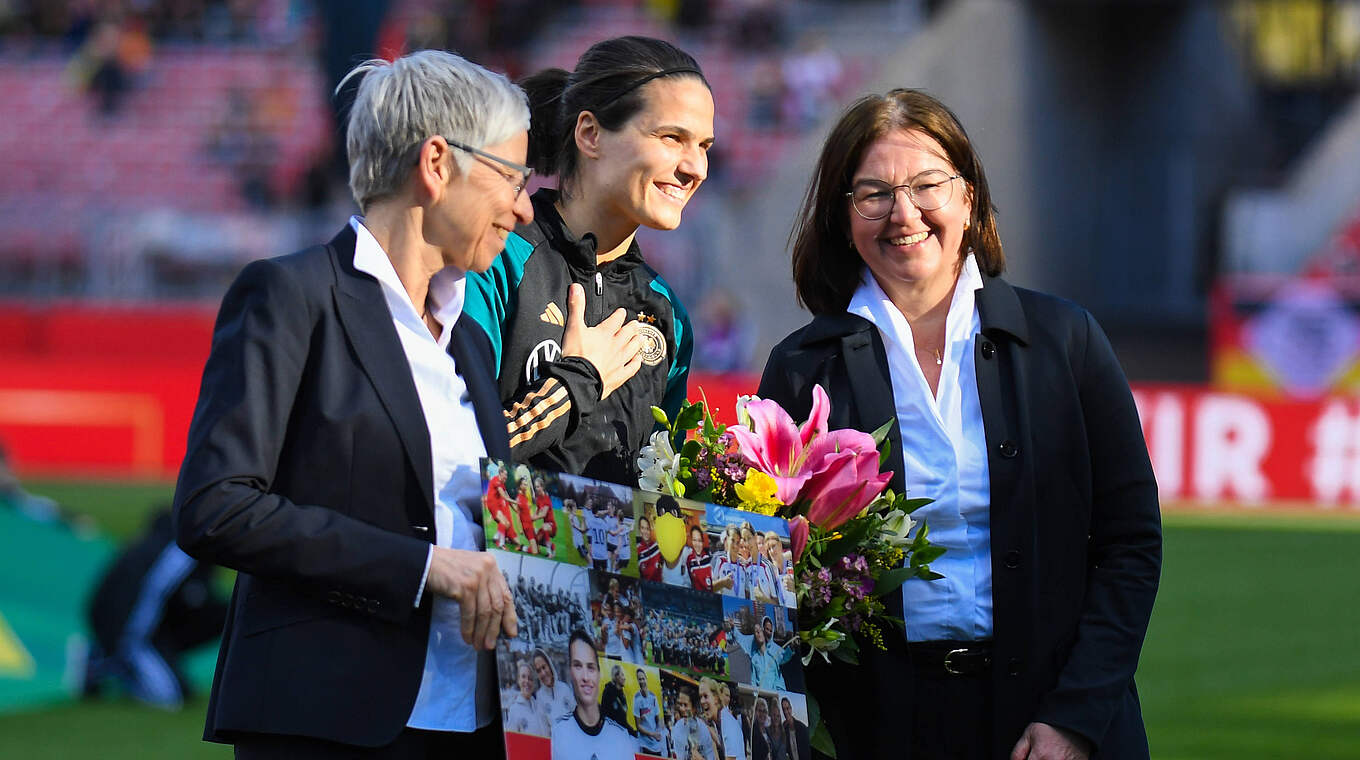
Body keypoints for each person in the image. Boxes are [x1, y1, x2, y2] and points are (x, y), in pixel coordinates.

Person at [756, 89, 1162, 760]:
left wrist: (1075, 717)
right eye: (873, 193)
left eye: (926, 185)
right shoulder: (801, 368)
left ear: (969, 199)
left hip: (1057, 724)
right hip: (886, 732)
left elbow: (1131, 546)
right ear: (843, 215)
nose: (903, 213)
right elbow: (773, 574)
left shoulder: (1066, 340)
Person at [172, 50, 526, 756]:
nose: (522, 207)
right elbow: (218, 507)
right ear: (436, 164)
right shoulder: (291, 297)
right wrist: (423, 569)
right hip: (326, 721)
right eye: (512, 177)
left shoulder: (472, 345)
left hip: (475, 726)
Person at [465, 35, 715, 486]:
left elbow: (656, 499)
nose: (695, 167)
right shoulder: (495, 261)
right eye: (672, 138)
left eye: (704, 146)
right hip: (485, 555)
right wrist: (578, 381)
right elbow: (453, 451)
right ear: (590, 134)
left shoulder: (669, 316)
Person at [83, 506, 228, 708]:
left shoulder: (185, 545)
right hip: (128, 629)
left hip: (144, 623)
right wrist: (123, 644)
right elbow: (141, 602)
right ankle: (108, 662)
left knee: (227, 614)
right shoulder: (180, 552)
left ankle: (133, 660)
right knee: (171, 697)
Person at [552, 631, 637, 760]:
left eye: (590, 667)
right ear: (570, 671)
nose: (585, 677)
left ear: (598, 674)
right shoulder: (558, 731)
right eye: (578, 666)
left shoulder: (620, 736)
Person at [700, 676, 744, 760]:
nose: (728, 699)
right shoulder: (718, 719)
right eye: (726, 695)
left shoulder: (727, 721)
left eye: (729, 696)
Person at [668, 688, 719, 760]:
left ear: (694, 708)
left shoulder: (703, 729)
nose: (682, 709)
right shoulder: (678, 727)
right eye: (680, 704)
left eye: (685, 705)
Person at [532, 648, 576, 725]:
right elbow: (544, 728)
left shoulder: (564, 688)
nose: (543, 673)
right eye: (539, 671)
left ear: (550, 665)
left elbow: (576, 715)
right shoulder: (539, 697)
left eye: (544, 667)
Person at [505, 660, 548, 736]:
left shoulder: (540, 706)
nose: (527, 681)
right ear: (518, 680)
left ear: (534, 682)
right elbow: (512, 743)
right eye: (523, 677)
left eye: (530, 678)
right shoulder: (514, 711)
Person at [633, 667, 666, 754]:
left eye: (643, 678)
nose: (642, 681)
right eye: (639, 679)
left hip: (656, 744)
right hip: (645, 744)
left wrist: (658, 732)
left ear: (646, 679)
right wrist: (652, 734)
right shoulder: (637, 699)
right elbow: (638, 726)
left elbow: (657, 719)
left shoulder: (653, 696)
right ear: (637, 681)